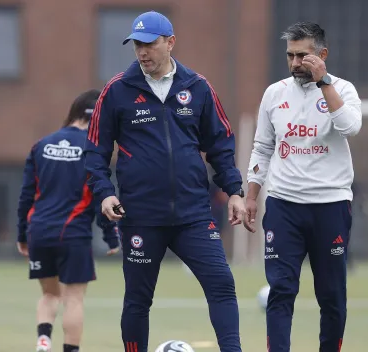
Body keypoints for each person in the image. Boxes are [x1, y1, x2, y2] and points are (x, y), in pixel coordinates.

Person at [84, 11, 246, 352]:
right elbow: (95, 152)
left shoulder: (198, 87)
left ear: (170, 42)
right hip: (141, 217)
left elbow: (220, 144)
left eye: (150, 44)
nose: (143, 52)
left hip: (193, 217)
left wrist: (233, 191)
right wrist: (104, 193)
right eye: (137, 45)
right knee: (138, 300)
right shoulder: (116, 90)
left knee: (222, 285)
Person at [244, 22, 362, 351]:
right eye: (290, 56)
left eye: (303, 56)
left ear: (322, 55)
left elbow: (350, 127)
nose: (295, 63)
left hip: (331, 205)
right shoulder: (274, 93)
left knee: (332, 295)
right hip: (284, 206)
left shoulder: (343, 89)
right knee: (281, 290)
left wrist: (323, 81)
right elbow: (262, 148)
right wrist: (252, 195)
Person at [17, 89, 121, 352]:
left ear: (73, 111)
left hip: (39, 232)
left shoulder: (41, 145)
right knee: (74, 298)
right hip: (73, 235)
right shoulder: (93, 150)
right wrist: (110, 236)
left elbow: (26, 196)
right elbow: (101, 197)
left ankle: (43, 340)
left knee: (50, 294)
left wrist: (22, 235)